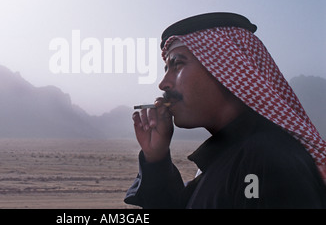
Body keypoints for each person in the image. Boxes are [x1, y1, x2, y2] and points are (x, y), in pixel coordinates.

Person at [124, 12, 326, 208]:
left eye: (177, 64)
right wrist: (156, 158)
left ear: (228, 68)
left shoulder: (265, 161)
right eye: (166, 69)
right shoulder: (235, 154)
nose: (163, 84)